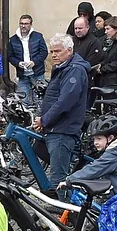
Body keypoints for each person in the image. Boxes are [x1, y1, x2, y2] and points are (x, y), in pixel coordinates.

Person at [33, 34, 89, 198]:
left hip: (63, 130)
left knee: (59, 178)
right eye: (51, 52)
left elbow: (64, 102)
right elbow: (52, 98)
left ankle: (65, 211)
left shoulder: (74, 70)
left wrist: (44, 120)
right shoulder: (63, 68)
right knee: (57, 172)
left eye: (57, 51)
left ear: (69, 50)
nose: (53, 55)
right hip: (55, 128)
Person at [61, 116, 117, 195]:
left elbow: (93, 169)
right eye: (94, 139)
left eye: (99, 139)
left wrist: (70, 180)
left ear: (110, 138)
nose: (95, 143)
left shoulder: (113, 155)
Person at [7, 15, 47, 104]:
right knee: (23, 101)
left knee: (39, 100)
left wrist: (34, 62)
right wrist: (18, 63)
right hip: (22, 75)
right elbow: (10, 56)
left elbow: (44, 52)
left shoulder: (38, 36)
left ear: (31, 24)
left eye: (26, 24)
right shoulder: (13, 40)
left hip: (37, 74)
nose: (23, 26)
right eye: (21, 23)